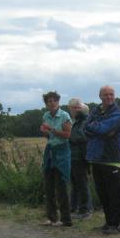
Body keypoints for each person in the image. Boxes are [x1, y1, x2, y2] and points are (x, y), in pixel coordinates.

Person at [85, 85, 120, 234]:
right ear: (100, 96)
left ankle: (118, 225)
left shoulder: (118, 113)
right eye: (106, 94)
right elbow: (85, 128)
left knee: (115, 193)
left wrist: (96, 127)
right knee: (103, 193)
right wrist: (100, 129)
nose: (109, 97)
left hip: (111, 158)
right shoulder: (96, 110)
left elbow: (102, 128)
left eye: (111, 94)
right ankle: (109, 222)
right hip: (96, 157)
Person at [40, 91, 73, 226]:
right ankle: (52, 217)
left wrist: (51, 129)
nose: (52, 103)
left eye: (54, 100)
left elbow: (67, 135)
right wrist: (44, 132)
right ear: (46, 104)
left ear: (58, 102)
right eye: (49, 101)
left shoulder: (64, 116)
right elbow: (48, 136)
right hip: (50, 151)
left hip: (62, 151)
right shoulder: (46, 115)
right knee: (48, 186)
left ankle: (66, 219)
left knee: (61, 187)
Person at [67, 98, 93, 219]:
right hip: (74, 156)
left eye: (73, 108)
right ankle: (74, 208)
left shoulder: (84, 121)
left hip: (80, 157)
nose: (71, 111)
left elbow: (83, 136)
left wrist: (68, 136)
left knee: (82, 183)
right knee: (75, 183)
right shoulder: (77, 121)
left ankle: (85, 210)